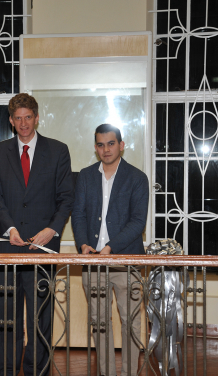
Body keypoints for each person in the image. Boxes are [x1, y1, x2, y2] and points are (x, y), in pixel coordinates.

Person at [0, 93, 74, 376]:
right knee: (8, 318)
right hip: (7, 247)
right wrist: (10, 229)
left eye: (28, 117)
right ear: (11, 121)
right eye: (18, 118)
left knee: (41, 318)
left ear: (37, 117)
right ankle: (8, 371)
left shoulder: (58, 150)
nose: (23, 123)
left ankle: (38, 371)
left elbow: (66, 197)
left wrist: (52, 229)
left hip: (43, 248)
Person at [71, 123, 149, 376]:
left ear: (121, 145)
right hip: (93, 263)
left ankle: (128, 373)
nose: (106, 149)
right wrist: (83, 244)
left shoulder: (137, 178)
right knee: (100, 324)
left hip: (127, 261)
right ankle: (107, 373)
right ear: (96, 148)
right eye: (101, 145)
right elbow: (78, 215)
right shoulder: (85, 175)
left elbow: (138, 222)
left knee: (132, 324)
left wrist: (110, 248)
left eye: (111, 143)